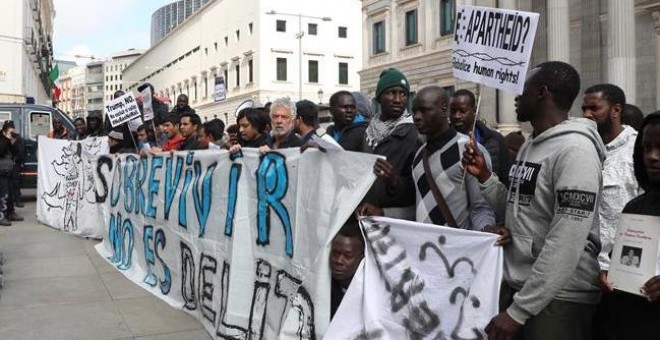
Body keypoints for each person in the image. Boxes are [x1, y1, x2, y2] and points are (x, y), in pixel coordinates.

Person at [463, 61, 605, 340]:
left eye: (524, 88)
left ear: (541, 93)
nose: (517, 96)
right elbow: (519, 209)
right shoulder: (531, 144)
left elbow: (567, 240)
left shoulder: (576, 151)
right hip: (523, 289)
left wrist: (518, 311)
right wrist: (485, 177)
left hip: (560, 298)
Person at [597, 111, 660, 339]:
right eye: (646, 147)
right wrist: (609, 274)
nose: (652, 157)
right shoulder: (636, 208)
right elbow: (624, 263)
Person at [407, 86, 496, 231]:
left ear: (443, 109)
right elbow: (419, 205)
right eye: (414, 111)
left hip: (457, 249)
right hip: (424, 248)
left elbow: (481, 207)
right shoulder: (419, 155)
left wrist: (486, 229)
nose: (416, 117)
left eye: (424, 110)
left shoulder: (469, 151)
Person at [581, 84, 640, 277]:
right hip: (583, 270)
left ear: (616, 110)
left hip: (621, 273)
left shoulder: (637, 152)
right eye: (584, 109)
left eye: (594, 108)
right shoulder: (581, 149)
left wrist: (625, 269)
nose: (587, 115)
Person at [359, 68, 418, 216]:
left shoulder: (415, 133)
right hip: (365, 216)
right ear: (379, 97)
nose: (398, 99)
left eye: (403, 94)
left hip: (394, 222)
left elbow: (418, 189)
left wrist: (394, 181)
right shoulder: (367, 132)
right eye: (391, 93)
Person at [450, 89, 511, 185]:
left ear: (474, 111)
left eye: (462, 111)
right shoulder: (442, 142)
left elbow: (505, 178)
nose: (456, 116)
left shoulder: (496, 140)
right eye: (453, 111)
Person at [330, 216, 364, 318]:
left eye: (347, 256)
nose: (339, 261)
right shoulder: (321, 287)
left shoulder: (369, 293)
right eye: (335, 253)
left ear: (361, 259)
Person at [0, 122, 23, 224]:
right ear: (4, 131)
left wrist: (13, 143)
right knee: (3, 195)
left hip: (9, 171)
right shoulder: (1, 139)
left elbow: (15, 153)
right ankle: (1, 217)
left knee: (11, 194)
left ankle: (10, 213)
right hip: (1, 172)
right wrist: (6, 139)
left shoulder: (10, 139)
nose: (12, 134)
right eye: (10, 132)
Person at [4, 121, 25, 208]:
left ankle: (17, 200)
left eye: (11, 128)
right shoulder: (3, 138)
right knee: (7, 184)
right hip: (5, 164)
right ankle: (8, 202)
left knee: (16, 182)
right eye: (9, 128)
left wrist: (16, 160)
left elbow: (20, 151)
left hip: (15, 163)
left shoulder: (17, 138)